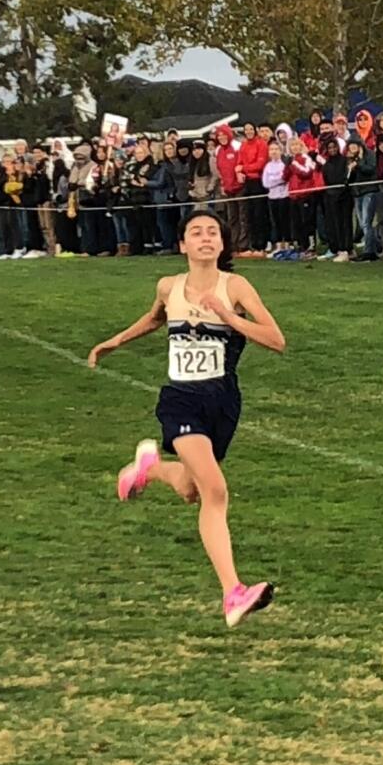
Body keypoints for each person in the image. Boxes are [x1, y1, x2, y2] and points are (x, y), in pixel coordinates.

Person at [86, 210, 284, 628]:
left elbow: (276, 340)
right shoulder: (168, 286)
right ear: (183, 245)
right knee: (216, 492)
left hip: (224, 401)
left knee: (193, 490)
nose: (206, 238)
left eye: (213, 232)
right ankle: (233, 592)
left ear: (222, 244)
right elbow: (156, 316)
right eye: (196, 232)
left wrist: (228, 316)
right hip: (181, 400)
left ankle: (152, 469)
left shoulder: (237, 286)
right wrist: (115, 341)